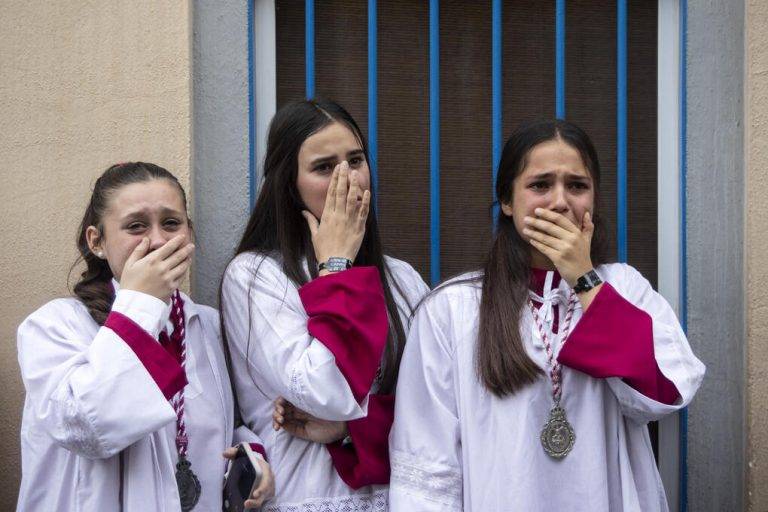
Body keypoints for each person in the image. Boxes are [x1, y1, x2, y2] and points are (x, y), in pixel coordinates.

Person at [388, 120, 706, 511]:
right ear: (507, 201)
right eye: (540, 185)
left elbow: (666, 394)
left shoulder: (624, 288)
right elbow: (426, 464)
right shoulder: (452, 308)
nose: (559, 202)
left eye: (577, 186)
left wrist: (584, 280)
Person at [16, 162, 274, 511]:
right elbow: (87, 427)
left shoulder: (209, 326)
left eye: (171, 223)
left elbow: (226, 424)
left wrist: (250, 455)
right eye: (136, 226)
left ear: (190, 233)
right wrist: (142, 302)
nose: (158, 240)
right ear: (96, 241)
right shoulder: (53, 326)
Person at [221, 99, 429, 511]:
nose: (346, 179)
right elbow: (322, 390)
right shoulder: (255, 276)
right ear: (289, 184)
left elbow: (435, 409)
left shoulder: (402, 278)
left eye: (355, 161)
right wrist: (336, 267)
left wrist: (351, 430)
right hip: (306, 494)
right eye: (323, 167)